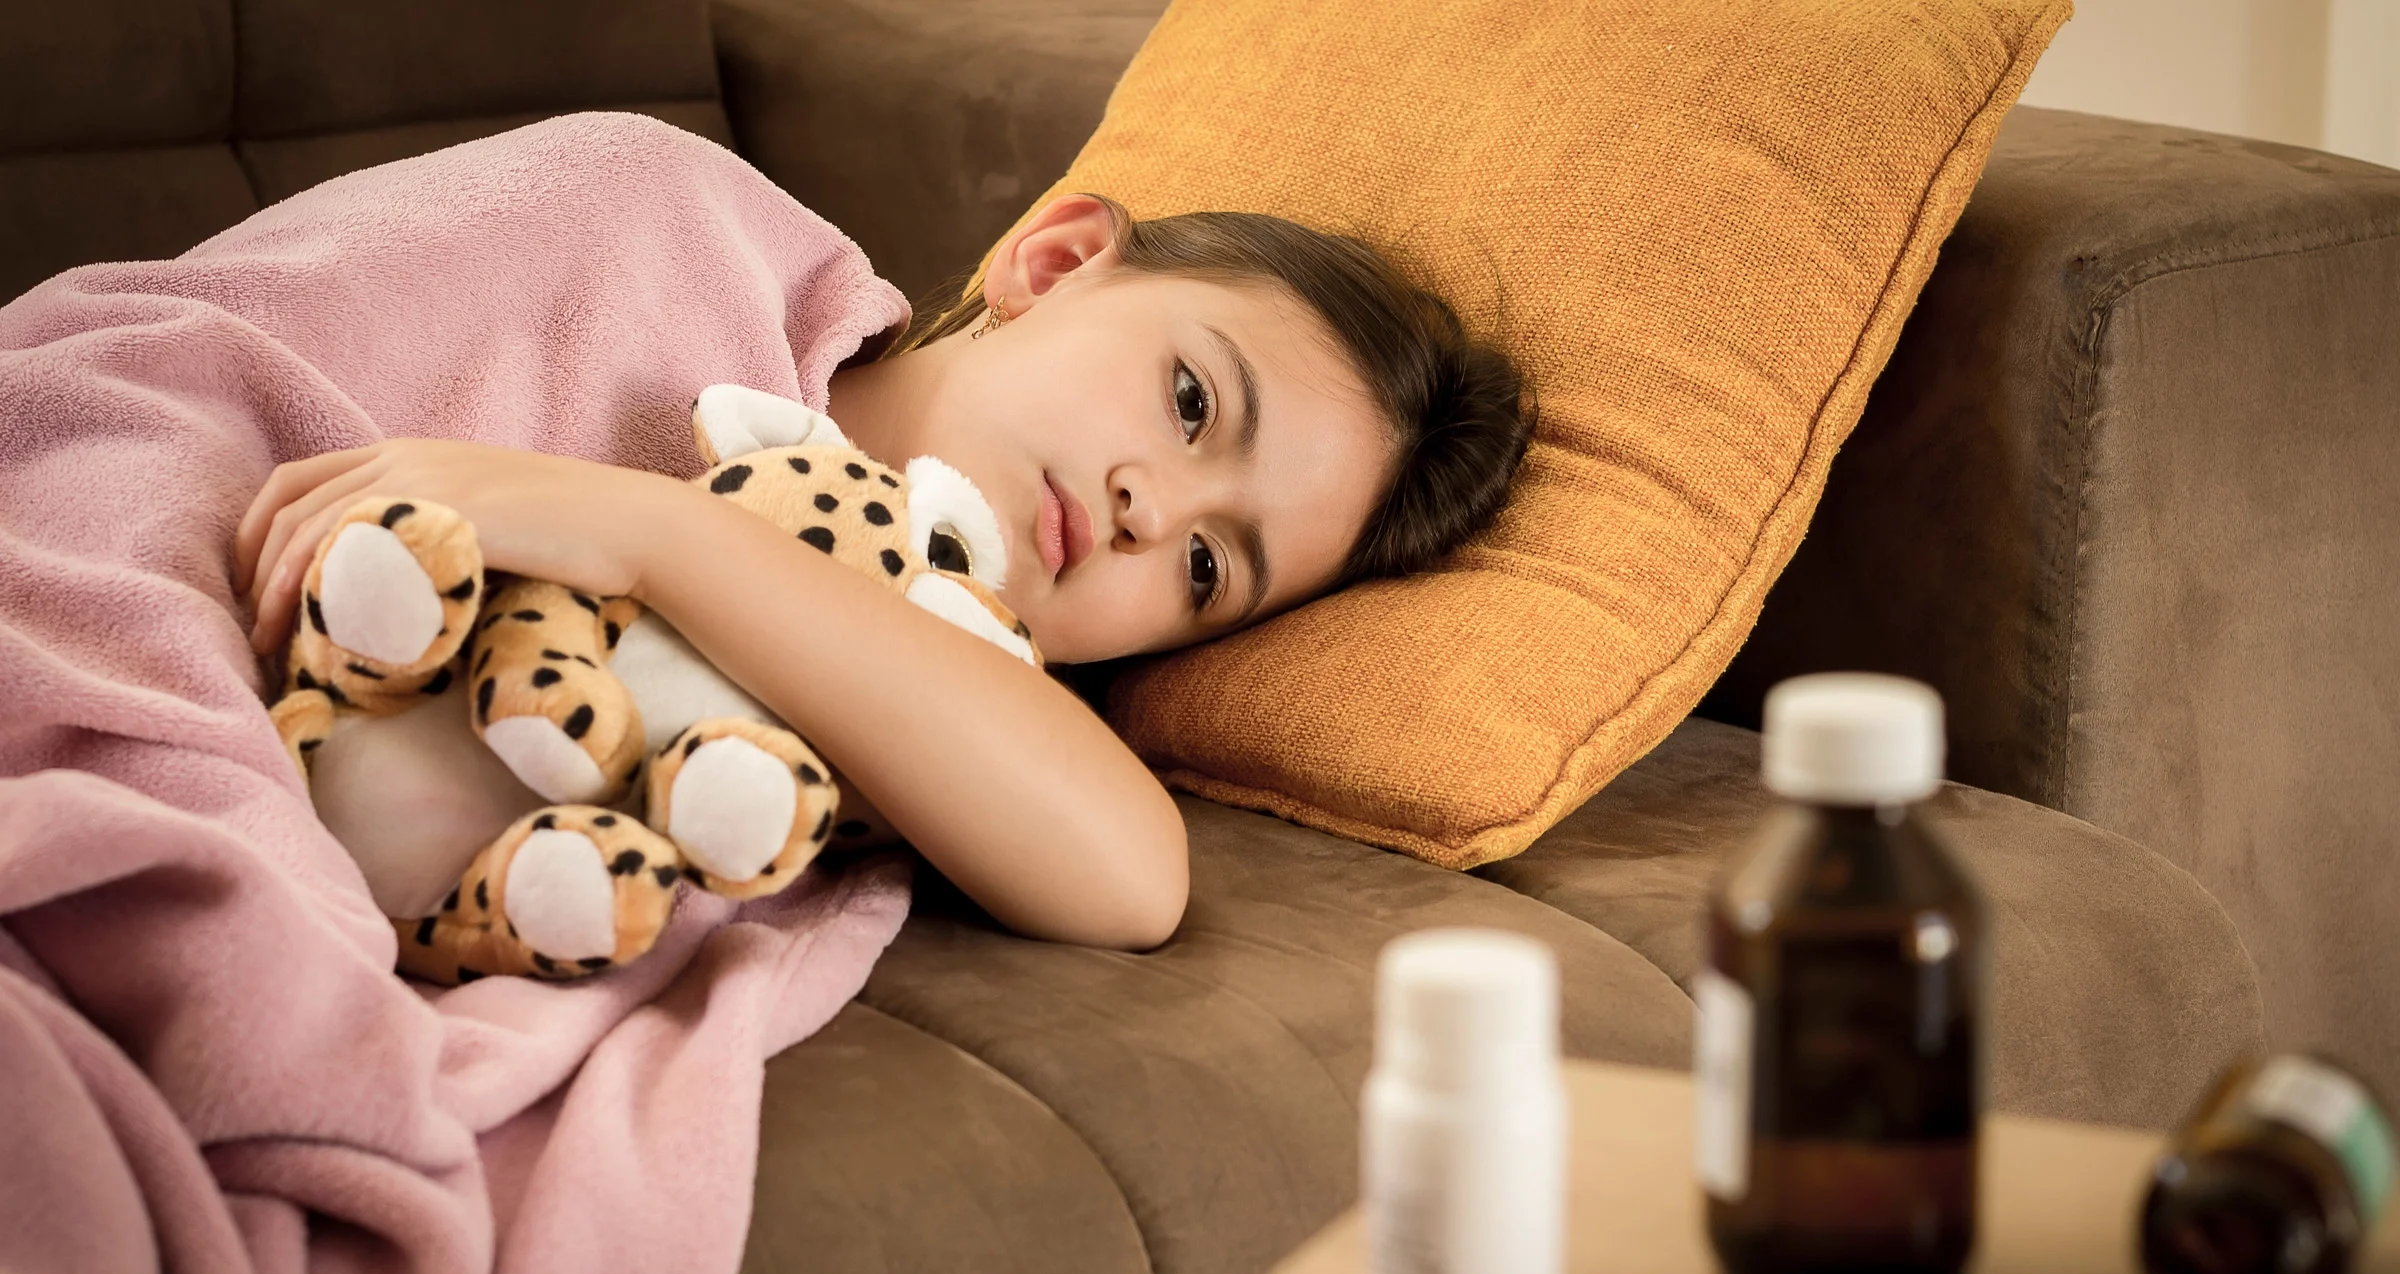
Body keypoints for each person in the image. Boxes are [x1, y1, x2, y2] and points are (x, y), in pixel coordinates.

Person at [229, 191, 1530, 954]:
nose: (1150, 506)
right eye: (1190, 398)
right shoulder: (678, 226)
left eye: (1206, 564)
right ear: (1061, 259)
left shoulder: (950, 695)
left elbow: (1135, 880)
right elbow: (210, 365)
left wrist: (654, 533)